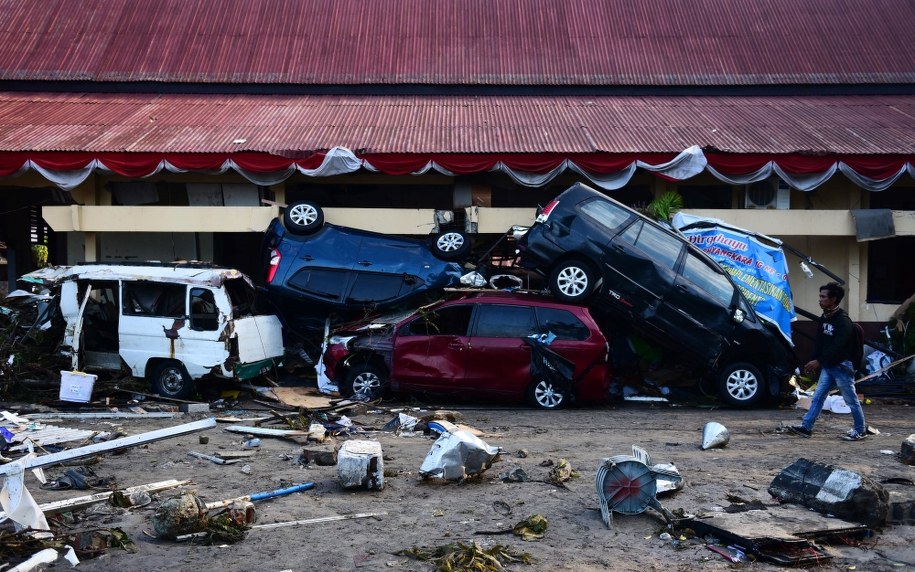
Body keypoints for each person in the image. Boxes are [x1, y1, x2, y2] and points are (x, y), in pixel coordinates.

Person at [788, 282, 868, 441]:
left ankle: (860, 430)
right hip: (829, 365)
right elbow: (820, 342)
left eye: (823, 297)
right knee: (818, 397)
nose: (820, 300)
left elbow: (838, 347)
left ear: (834, 299)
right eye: (820, 296)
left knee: (850, 400)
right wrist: (814, 360)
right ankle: (806, 427)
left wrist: (818, 361)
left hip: (842, 366)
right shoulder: (825, 317)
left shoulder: (843, 321)